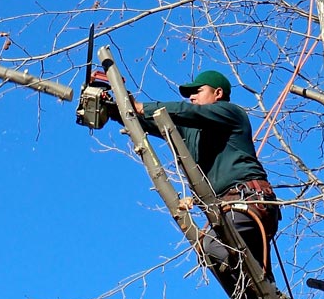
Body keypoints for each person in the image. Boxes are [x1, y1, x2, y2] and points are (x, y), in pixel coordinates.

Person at [112, 70, 280, 275]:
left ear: (218, 93)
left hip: (248, 201)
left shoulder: (230, 113)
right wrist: (114, 108)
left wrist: (142, 107)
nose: (191, 97)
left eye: (197, 91)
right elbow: (151, 122)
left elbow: (187, 113)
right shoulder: (191, 130)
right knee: (249, 285)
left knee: (211, 247)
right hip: (227, 209)